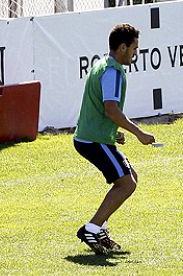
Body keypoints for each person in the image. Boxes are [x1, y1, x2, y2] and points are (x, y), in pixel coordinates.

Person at [74, 23, 156, 255]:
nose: (135, 54)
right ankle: (91, 228)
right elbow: (111, 109)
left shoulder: (102, 65)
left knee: (130, 178)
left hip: (94, 136)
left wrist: (112, 132)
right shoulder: (113, 72)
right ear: (122, 47)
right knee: (126, 183)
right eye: (134, 49)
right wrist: (138, 133)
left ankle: (99, 228)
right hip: (93, 140)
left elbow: (100, 108)